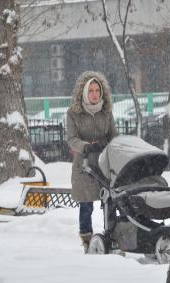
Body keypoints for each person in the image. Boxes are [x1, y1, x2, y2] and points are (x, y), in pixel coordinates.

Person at [66, 71, 118, 253]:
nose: (95, 94)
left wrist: (117, 147)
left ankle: (113, 237)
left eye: (98, 90)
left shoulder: (106, 112)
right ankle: (87, 241)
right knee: (86, 205)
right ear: (84, 92)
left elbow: (114, 136)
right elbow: (71, 139)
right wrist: (86, 146)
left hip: (105, 164)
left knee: (111, 202)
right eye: (91, 91)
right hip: (85, 165)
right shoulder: (73, 113)